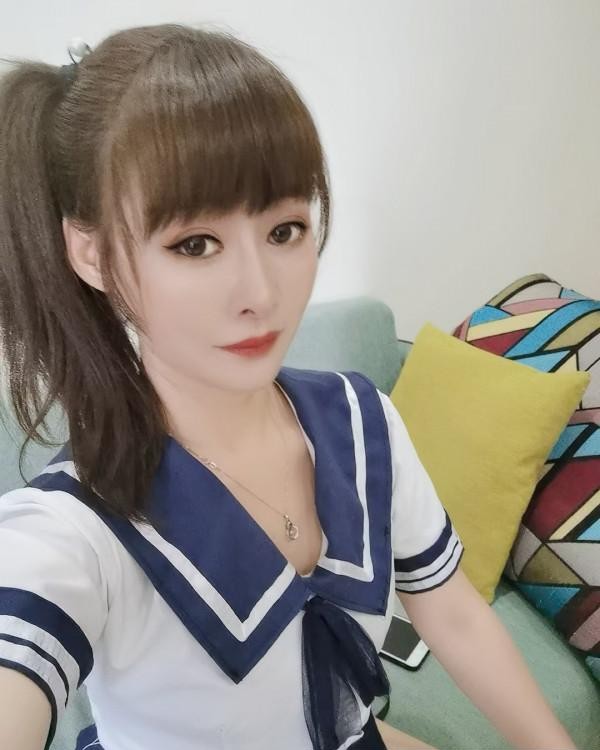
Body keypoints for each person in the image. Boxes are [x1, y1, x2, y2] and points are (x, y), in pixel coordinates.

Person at [0, 22, 578, 750]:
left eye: (284, 231)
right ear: (90, 254)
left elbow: (452, 612)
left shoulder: (361, 423)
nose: (261, 293)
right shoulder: (74, 526)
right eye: (195, 244)